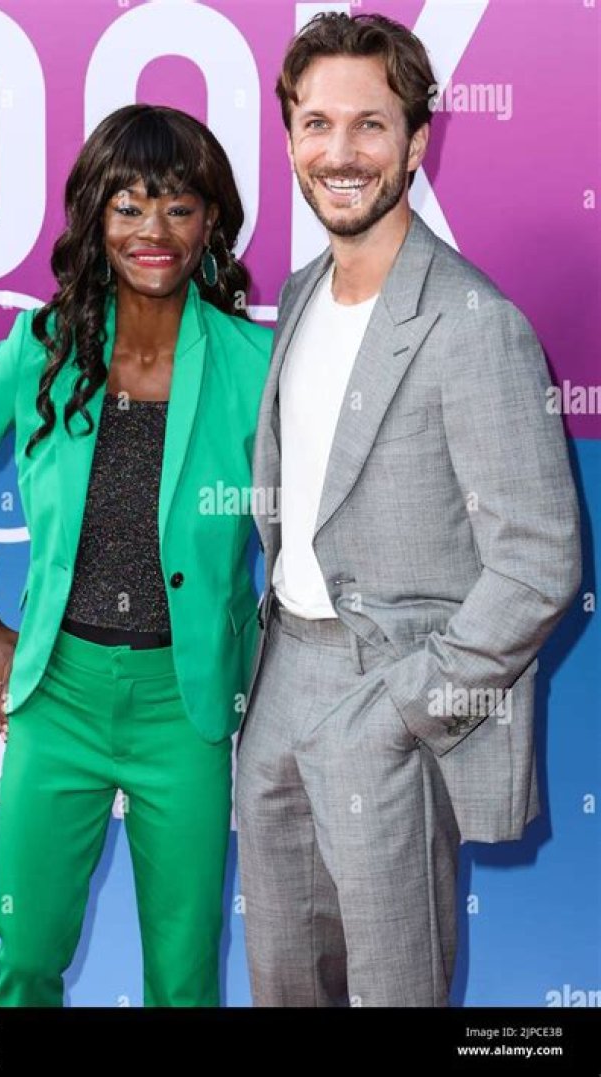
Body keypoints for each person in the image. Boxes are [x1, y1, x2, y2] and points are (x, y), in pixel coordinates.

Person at [0, 104, 272, 1007]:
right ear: (95, 219)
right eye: (128, 205)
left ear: (211, 223)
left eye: (179, 207)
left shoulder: (256, 362)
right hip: (57, 699)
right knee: (27, 958)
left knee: (184, 976)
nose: (154, 231)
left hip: (186, 710)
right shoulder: (42, 348)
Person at [235, 12, 582, 1007]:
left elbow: (540, 563)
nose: (340, 153)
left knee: (395, 990)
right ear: (290, 140)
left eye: (370, 125)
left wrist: (397, 711)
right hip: (279, 677)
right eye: (316, 124)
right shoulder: (299, 294)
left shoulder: (476, 325)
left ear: (417, 141)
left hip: (392, 691)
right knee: (281, 983)